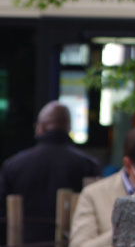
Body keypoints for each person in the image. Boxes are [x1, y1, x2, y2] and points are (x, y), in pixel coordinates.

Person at [0, 101, 100, 244]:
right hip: (71, 241)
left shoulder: (13, 164)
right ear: (68, 127)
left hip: (24, 241)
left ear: (41, 127)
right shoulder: (88, 165)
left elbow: (2, 210)